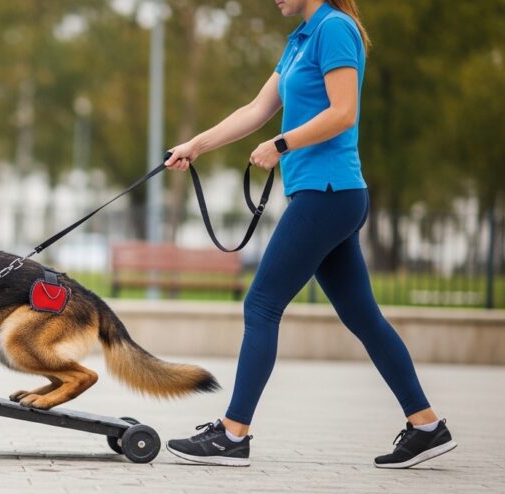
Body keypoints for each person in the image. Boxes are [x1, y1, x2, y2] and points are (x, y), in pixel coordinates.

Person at [162, 0, 456, 469]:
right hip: (324, 195)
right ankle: (426, 426)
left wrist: (282, 144)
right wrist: (195, 145)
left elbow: (344, 113)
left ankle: (233, 434)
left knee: (261, 304)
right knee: (363, 317)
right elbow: (257, 109)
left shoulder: (335, 29)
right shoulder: (300, 38)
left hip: (329, 191)